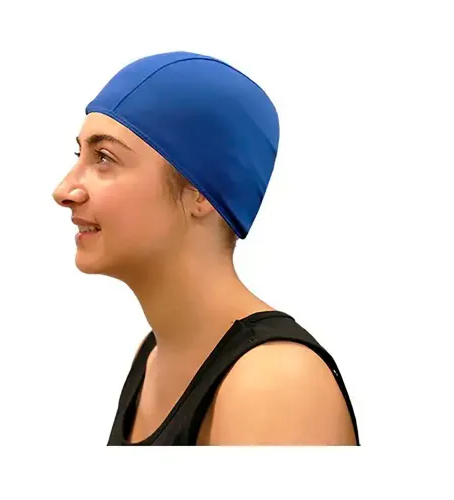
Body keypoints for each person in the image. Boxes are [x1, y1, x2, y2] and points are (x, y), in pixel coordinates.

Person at [52, 51, 360, 445]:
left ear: (201, 193)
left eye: (104, 158)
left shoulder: (275, 384)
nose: (64, 190)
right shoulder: (152, 356)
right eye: (80, 154)